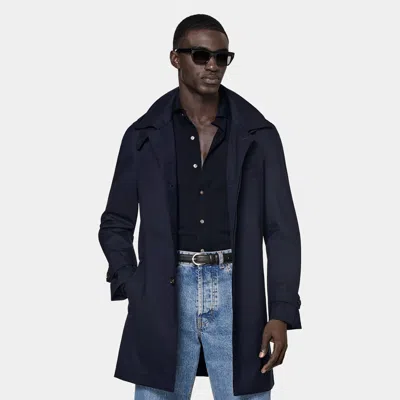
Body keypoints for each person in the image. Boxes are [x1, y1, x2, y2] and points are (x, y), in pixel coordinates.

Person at [98, 13, 302, 399]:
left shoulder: (258, 135)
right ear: (175, 58)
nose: (213, 65)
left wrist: (281, 311)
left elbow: (281, 230)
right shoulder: (142, 136)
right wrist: (133, 284)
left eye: (222, 57)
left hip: (237, 290)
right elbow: (115, 222)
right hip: (165, 291)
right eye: (201, 55)